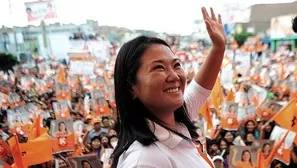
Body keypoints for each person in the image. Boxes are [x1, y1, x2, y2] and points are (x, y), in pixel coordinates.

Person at [111, 7, 226, 168]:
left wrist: (218, 47)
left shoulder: (174, 122)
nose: (174, 76)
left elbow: (200, 89)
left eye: (176, 65)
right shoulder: (144, 161)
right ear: (131, 87)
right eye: (158, 68)